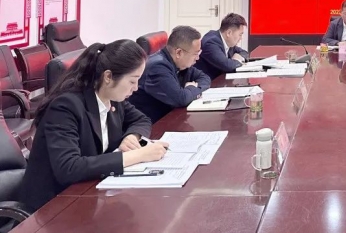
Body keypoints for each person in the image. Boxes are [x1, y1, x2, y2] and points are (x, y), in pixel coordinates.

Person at [20, 40, 168, 212]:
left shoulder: (113, 98)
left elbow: (141, 120)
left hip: (88, 192)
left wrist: (132, 136)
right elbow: (69, 168)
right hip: (52, 205)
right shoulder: (66, 106)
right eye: (132, 81)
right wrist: (139, 155)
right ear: (108, 77)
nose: (135, 88)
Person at [128, 26, 211, 123]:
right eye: (196, 53)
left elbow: (205, 78)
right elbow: (181, 99)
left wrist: (192, 91)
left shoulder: (181, 64)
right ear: (179, 53)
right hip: (152, 124)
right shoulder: (157, 67)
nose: (197, 58)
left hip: (170, 117)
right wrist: (192, 88)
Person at [195, 13, 249, 80]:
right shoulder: (210, 43)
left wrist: (239, 58)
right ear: (229, 33)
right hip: (206, 82)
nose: (241, 38)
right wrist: (237, 60)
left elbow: (244, 52)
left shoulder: (228, 42)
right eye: (240, 35)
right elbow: (227, 66)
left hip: (220, 80)